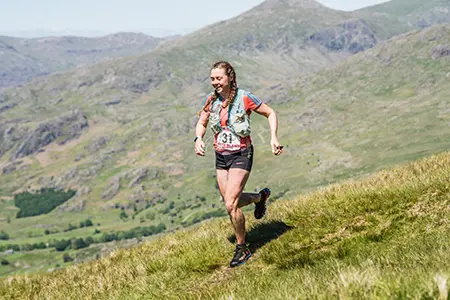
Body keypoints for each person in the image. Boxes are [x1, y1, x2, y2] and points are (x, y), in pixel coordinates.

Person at [194, 61, 283, 268]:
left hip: (242, 154)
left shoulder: (245, 97)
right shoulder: (211, 100)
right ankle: (260, 197)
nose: (215, 82)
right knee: (229, 201)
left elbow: (270, 113)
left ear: (230, 78)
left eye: (219, 78)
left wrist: (274, 138)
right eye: (212, 79)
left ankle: (242, 248)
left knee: (230, 204)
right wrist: (198, 139)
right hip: (221, 156)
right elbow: (202, 123)